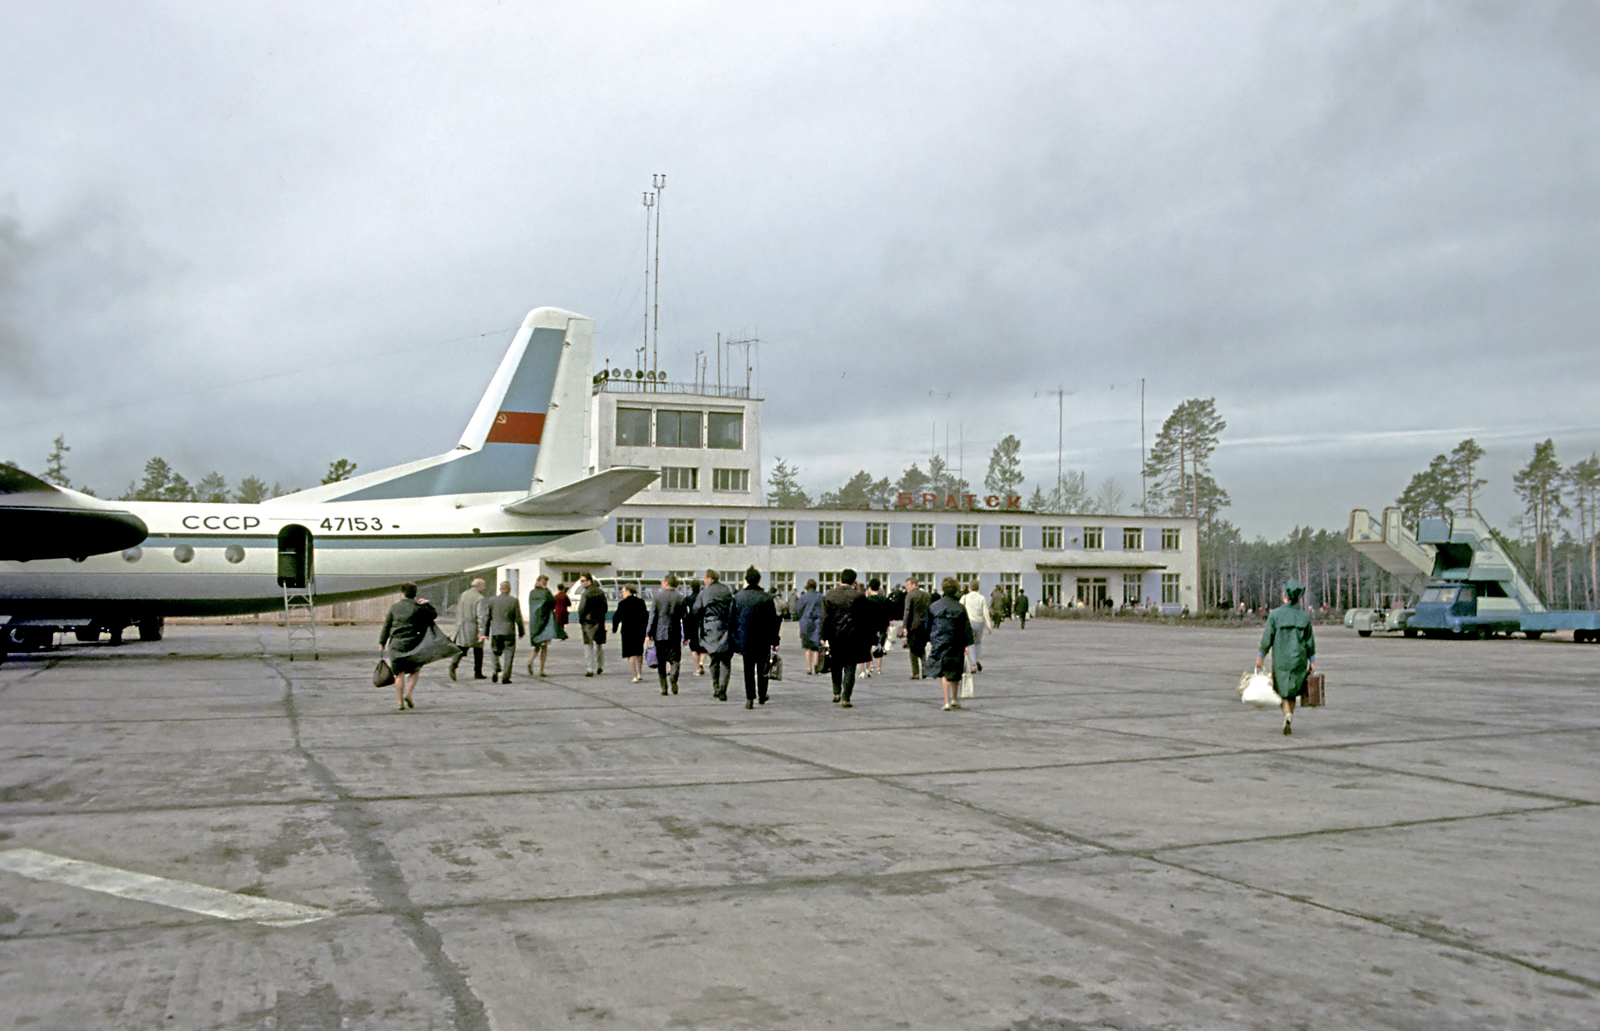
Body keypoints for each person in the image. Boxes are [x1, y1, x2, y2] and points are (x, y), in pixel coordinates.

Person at [1256, 578, 1317, 735]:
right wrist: (1312, 660)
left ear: (1285, 596)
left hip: (1281, 659)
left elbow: (1267, 637)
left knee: (1281, 690)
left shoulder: (1275, 615)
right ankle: (1290, 716)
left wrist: (1261, 655)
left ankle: (1286, 714)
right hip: (1299, 659)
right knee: (1293, 691)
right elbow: (1310, 641)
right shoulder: (1304, 618)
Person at [379, 582, 440, 710]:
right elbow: (433, 614)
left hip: (396, 644)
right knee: (415, 669)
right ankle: (408, 693)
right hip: (413, 644)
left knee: (399, 674)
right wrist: (426, 604)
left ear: (402, 593)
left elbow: (387, 625)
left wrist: (382, 642)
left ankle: (400, 702)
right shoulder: (419, 607)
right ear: (415, 593)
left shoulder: (394, 607)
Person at [822, 568, 872, 707]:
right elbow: (864, 619)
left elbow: (825, 617)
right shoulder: (859, 596)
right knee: (850, 667)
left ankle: (836, 691)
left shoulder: (830, 595)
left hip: (835, 636)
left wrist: (823, 635)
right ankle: (846, 697)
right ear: (854, 581)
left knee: (836, 665)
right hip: (853, 636)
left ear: (840, 580)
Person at [731, 567, 780, 708]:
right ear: (759, 580)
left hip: (745, 638)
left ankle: (749, 698)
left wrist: (735, 639)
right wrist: (775, 640)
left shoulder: (738, 597)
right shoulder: (766, 598)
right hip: (763, 639)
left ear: (746, 580)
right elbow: (773, 621)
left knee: (748, 669)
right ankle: (762, 695)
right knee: (762, 668)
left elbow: (732, 620)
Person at [928, 577, 975, 711]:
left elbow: (929, 625)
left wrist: (930, 640)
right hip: (956, 642)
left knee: (944, 672)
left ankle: (946, 701)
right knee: (956, 671)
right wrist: (967, 644)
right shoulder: (960, 607)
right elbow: (966, 627)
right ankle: (955, 698)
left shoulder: (934, 606)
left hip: (940, 642)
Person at [690, 569, 736, 700]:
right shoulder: (727, 590)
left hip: (710, 628)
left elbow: (696, 609)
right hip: (726, 627)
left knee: (714, 660)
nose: (704, 582)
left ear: (710, 579)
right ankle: (723, 688)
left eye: (705, 579)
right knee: (726, 661)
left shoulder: (705, 593)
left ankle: (716, 687)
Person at [646, 573, 688, 695]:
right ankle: (674, 678)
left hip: (660, 634)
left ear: (665, 583)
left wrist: (648, 633)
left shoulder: (657, 597)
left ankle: (663, 687)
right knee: (675, 659)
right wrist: (687, 635)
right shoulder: (680, 598)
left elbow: (652, 616)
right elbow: (685, 617)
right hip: (675, 632)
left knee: (661, 661)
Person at [485, 580, 525, 683]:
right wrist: (521, 631)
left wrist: (486, 632)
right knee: (509, 654)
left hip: (496, 631)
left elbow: (487, 617)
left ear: (500, 589)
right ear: (509, 590)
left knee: (494, 651)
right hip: (509, 631)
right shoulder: (514, 601)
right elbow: (518, 618)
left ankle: (495, 669)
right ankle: (506, 677)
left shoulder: (492, 600)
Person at [449, 577, 488, 681]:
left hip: (461, 625)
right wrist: (481, 631)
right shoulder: (480, 598)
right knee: (478, 650)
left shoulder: (463, 594)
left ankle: (454, 664)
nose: (484, 587)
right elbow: (481, 616)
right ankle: (478, 672)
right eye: (483, 585)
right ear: (478, 586)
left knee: (462, 647)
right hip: (472, 627)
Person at [612, 583, 649, 682]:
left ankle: (634, 676)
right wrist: (647, 630)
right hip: (639, 630)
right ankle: (640, 673)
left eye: (623, 591)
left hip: (627, 631)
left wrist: (614, 628)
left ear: (628, 591)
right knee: (638, 652)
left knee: (630, 654)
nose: (622, 593)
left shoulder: (622, 604)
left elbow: (616, 617)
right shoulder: (641, 602)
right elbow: (646, 617)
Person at [576, 572, 608, 676]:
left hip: (588, 622)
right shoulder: (600, 592)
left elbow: (581, 609)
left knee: (588, 645)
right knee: (599, 645)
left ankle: (590, 668)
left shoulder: (586, 594)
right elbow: (605, 607)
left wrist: (581, 620)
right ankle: (600, 666)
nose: (581, 583)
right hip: (599, 621)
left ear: (589, 581)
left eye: (583, 581)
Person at [960, 580, 995, 673]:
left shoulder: (965, 597)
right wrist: (989, 625)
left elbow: (959, 608)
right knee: (978, 642)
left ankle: (973, 664)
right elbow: (985, 612)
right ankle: (978, 659)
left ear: (969, 588)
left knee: (970, 643)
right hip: (979, 622)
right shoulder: (982, 598)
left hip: (969, 622)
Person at [525, 575, 556, 677]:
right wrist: (546, 588)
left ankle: (530, 660)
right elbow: (553, 602)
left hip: (534, 622)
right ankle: (541, 670)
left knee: (537, 646)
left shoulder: (532, 593)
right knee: (544, 648)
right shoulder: (546, 593)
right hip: (545, 622)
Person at [903, 577, 932, 679]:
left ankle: (915, 672)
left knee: (913, 649)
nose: (907, 587)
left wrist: (905, 626)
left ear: (914, 585)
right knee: (922, 648)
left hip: (913, 626)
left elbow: (907, 611)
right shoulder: (927, 595)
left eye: (908, 585)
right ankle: (925, 670)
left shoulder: (910, 596)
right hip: (925, 625)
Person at [864, 578, 893, 676]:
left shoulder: (867, 600)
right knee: (879, 646)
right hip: (881, 626)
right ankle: (879, 668)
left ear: (870, 587)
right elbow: (888, 613)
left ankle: (871, 664)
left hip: (869, 626)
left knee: (869, 647)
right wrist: (886, 626)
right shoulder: (884, 599)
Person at [796, 579, 824, 675]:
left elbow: (799, 609)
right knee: (816, 647)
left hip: (806, 622)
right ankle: (816, 665)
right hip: (817, 622)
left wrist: (802, 618)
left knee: (807, 647)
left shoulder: (803, 596)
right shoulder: (820, 596)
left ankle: (809, 668)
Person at [683, 579, 706, 676]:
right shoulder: (704, 598)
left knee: (694, 649)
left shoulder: (688, 599)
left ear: (691, 587)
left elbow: (685, 615)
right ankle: (702, 662)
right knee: (704, 648)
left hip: (691, 624)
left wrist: (685, 633)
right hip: (703, 624)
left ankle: (697, 669)